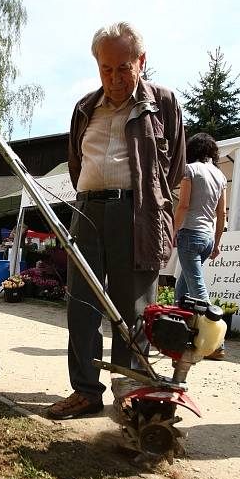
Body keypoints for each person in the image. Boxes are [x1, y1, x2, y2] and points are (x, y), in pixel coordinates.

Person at [47, 21, 185, 419]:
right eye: (106, 69)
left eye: (123, 67)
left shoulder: (164, 102)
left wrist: (145, 205)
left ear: (141, 61)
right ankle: (86, 392)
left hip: (136, 214)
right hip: (87, 210)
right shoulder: (85, 107)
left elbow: (173, 167)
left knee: (134, 310)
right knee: (82, 307)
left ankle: (130, 391)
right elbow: (77, 163)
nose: (114, 78)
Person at [174, 132, 227, 360]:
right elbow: (221, 213)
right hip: (207, 238)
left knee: (198, 291)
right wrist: (217, 243)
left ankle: (217, 344)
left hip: (190, 235)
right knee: (182, 288)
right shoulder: (220, 176)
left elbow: (183, 205)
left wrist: (172, 231)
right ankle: (176, 333)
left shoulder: (190, 170)